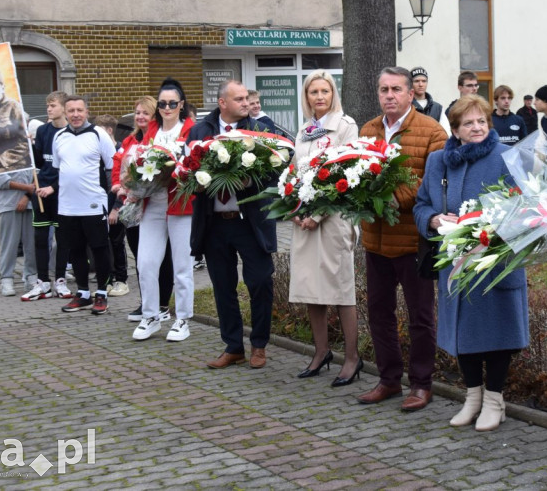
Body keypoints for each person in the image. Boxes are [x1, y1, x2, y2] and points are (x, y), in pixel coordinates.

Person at [414, 95, 529, 431]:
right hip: (456, 266)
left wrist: (497, 228)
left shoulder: (509, 156)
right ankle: (473, 397)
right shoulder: (438, 162)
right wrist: (434, 220)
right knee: (463, 334)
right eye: (469, 123)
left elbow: (527, 206)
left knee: (495, 334)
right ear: (455, 130)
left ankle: (495, 401)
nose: (477, 127)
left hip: (496, 263)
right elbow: (421, 205)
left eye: (482, 121)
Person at [357, 67, 448, 411]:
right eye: (383, 90)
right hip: (375, 241)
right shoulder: (368, 130)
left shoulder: (431, 131)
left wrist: (393, 197)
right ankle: (389, 379)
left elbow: (434, 183)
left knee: (420, 316)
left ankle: (422, 384)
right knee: (379, 312)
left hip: (412, 242)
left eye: (396, 89)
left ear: (412, 94)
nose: (389, 96)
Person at [190, 80, 279, 369]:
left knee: (260, 281)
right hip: (215, 222)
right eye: (238, 99)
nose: (246, 103)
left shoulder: (262, 130)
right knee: (222, 286)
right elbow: (186, 170)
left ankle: (259, 345)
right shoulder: (200, 131)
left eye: (246, 98)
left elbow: (276, 173)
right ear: (222, 103)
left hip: (250, 222)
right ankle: (233, 346)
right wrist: (197, 184)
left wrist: (250, 180)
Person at [289, 71, 363, 386]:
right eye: (313, 92)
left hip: (334, 219)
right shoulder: (305, 130)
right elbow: (295, 171)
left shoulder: (346, 126)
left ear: (334, 93)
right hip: (304, 220)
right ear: (306, 97)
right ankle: (321, 352)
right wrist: (294, 206)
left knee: (340, 289)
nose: (319, 97)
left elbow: (345, 174)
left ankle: (351, 357)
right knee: (311, 289)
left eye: (325, 91)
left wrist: (316, 214)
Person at [127, 79, 196, 342]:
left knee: (182, 266)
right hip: (152, 204)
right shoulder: (151, 130)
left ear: (181, 105)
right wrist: (132, 183)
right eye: (163, 103)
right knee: (146, 263)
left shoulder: (190, 130)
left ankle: (182, 319)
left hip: (180, 204)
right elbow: (135, 161)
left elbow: (194, 166)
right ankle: (151, 316)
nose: (167, 108)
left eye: (172, 103)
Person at [39, 95, 116, 315]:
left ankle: (101, 293)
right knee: (76, 251)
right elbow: (59, 168)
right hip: (67, 207)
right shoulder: (59, 137)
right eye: (71, 110)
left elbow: (112, 168)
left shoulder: (98, 134)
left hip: (94, 204)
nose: (75, 114)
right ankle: (83, 293)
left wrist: (112, 203)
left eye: (79, 110)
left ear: (87, 112)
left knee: (100, 249)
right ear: (65, 112)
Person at [111, 96, 173, 322]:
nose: (140, 117)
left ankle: (163, 304)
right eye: (137, 112)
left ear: (154, 115)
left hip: (156, 205)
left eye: (145, 113)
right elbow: (119, 164)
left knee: (162, 257)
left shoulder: (159, 138)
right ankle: (147, 303)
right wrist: (119, 186)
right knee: (141, 258)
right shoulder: (129, 139)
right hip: (132, 205)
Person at [23, 91, 71, 301]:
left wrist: (54, 186)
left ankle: (60, 279)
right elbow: (40, 164)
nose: (49, 109)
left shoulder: (71, 132)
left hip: (62, 192)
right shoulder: (43, 130)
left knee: (62, 239)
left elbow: (71, 168)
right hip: (41, 192)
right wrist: (31, 147)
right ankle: (42, 282)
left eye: (53, 105)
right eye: (47, 105)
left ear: (63, 107)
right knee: (41, 239)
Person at [93, 115, 130, 297]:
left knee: (117, 241)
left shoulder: (121, 151)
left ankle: (121, 279)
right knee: (102, 243)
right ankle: (106, 279)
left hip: (116, 204)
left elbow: (122, 182)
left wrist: (116, 207)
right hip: (99, 205)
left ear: (108, 131)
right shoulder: (98, 155)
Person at [0, 168, 38, 296]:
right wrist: (26, 187)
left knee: (32, 243)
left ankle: (31, 276)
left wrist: (27, 196)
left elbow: (37, 176)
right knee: (9, 244)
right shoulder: (0, 159)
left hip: (30, 204)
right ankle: (6, 279)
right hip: (9, 204)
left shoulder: (28, 153)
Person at [410, 67, 451, 136]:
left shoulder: (437, 108)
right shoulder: (405, 106)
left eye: (424, 81)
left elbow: (446, 134)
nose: (421, 84)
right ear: (410, 84)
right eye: (416, 81)